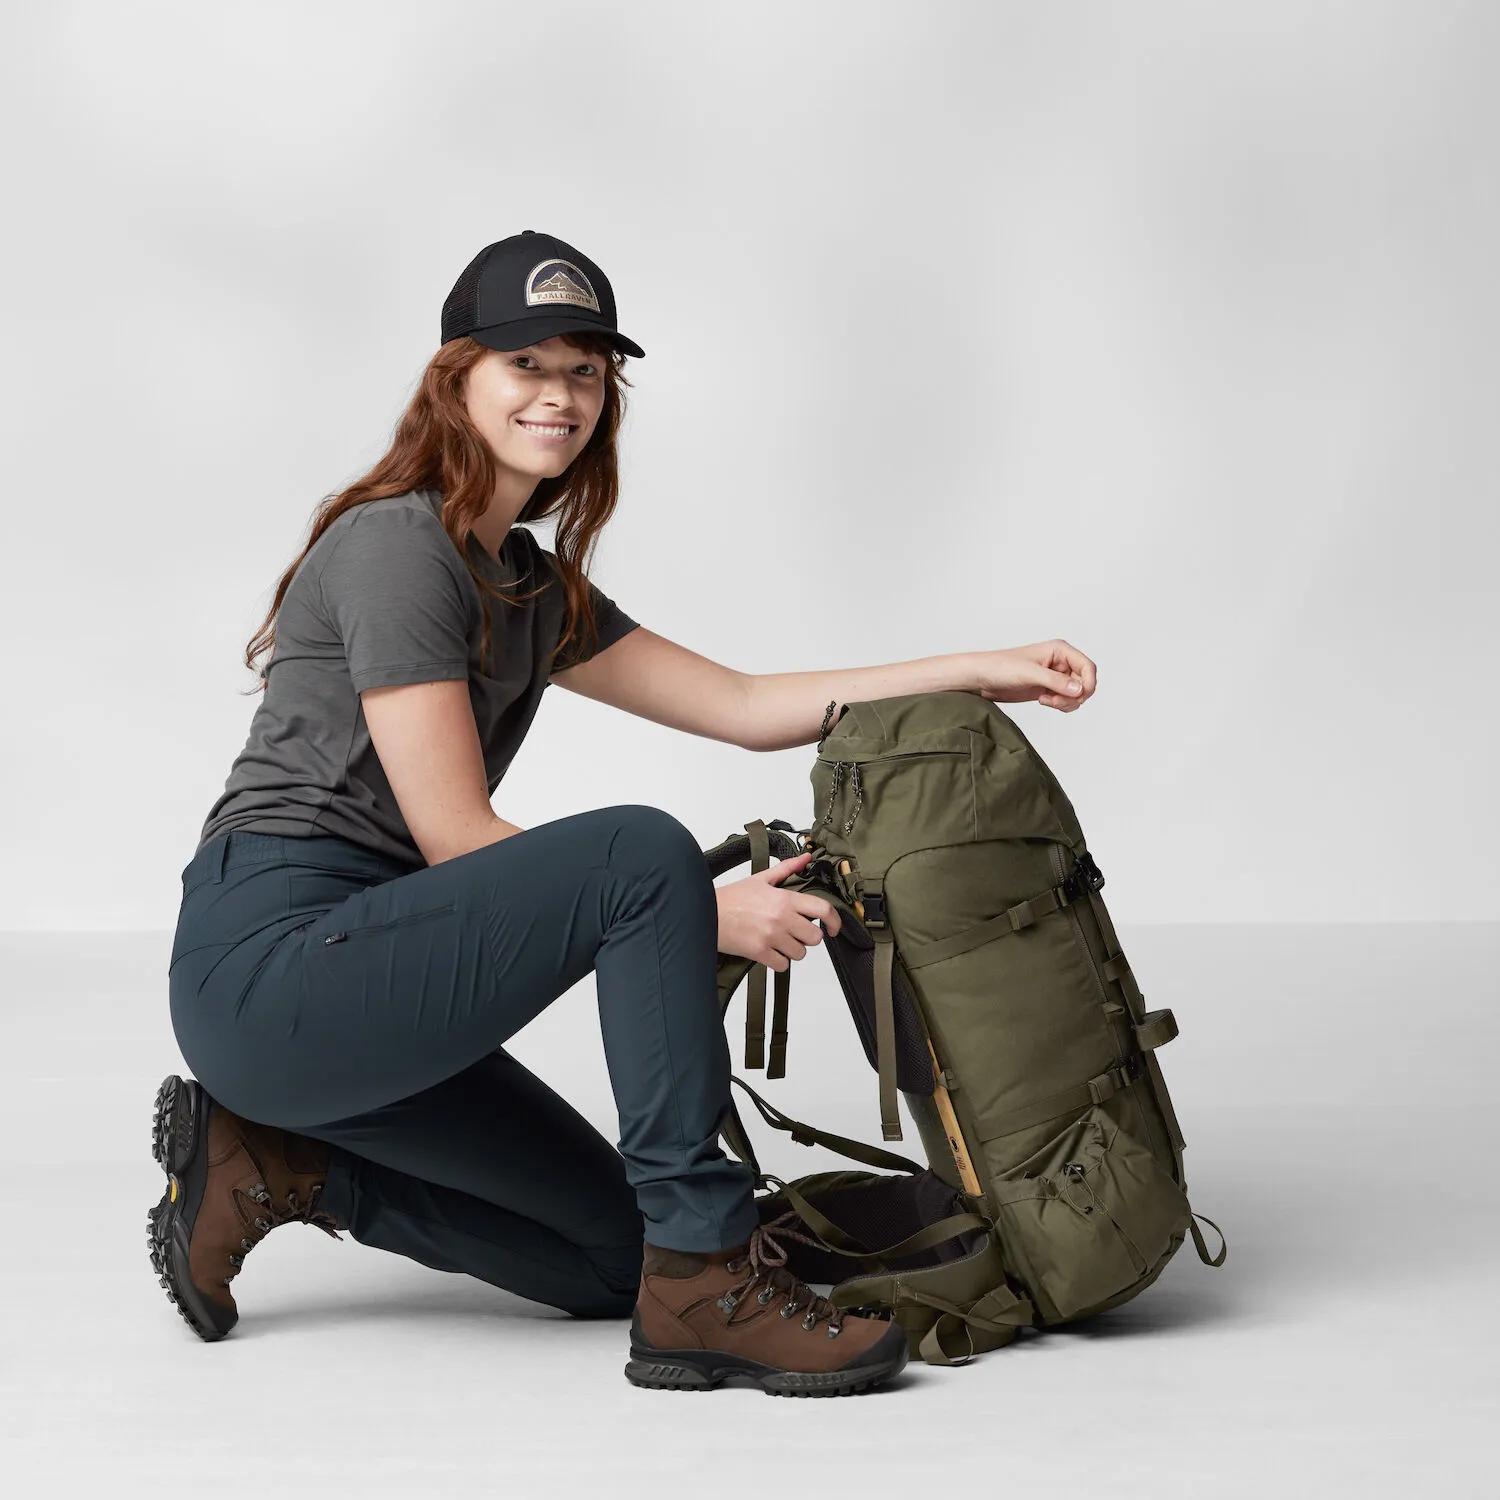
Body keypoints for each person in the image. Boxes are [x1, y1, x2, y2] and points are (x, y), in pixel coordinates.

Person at [153, 229, 920, 1397]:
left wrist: (987, 671)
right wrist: (701, 911)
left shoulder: (529, 584)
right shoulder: (396, 546)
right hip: (276, 971)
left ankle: (276, 1163)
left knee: (611, 1256)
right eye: (527, 365)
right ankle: (709, 1276)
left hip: (378, 988)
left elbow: (746, 704)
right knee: (640, 850)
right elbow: (456, 833)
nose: (559, 395)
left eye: (584, 371)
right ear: (456, 381)